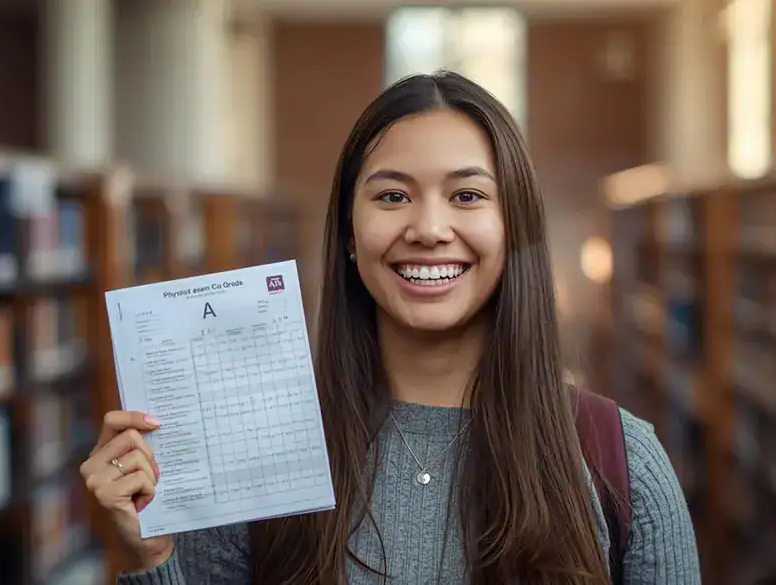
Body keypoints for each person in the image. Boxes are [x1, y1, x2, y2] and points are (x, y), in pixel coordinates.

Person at [80, 71, 701, 585]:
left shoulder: (620, 460)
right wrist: (152, 559)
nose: (429, 228)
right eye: (392, 197)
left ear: (514, 229)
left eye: (467, 196)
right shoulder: (259, 455)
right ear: (351, 235)